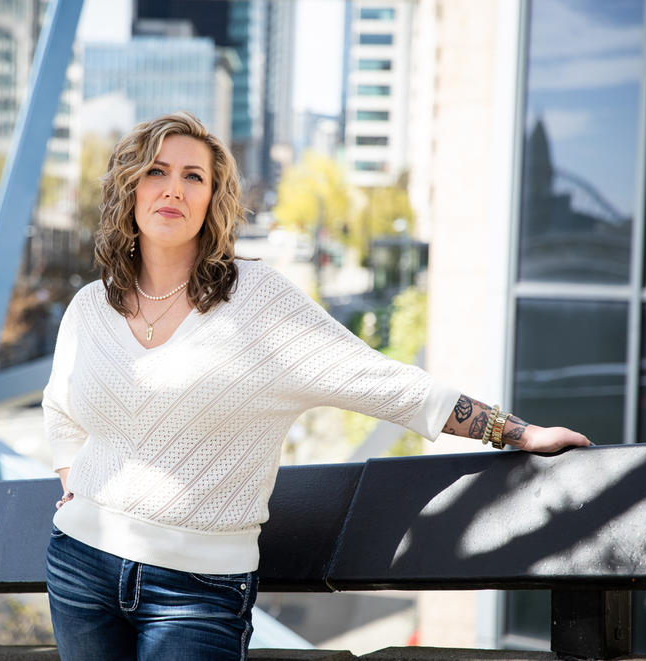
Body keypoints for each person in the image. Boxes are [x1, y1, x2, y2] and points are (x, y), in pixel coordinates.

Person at [42, 112, 591, 661]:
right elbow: (60, 410)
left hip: (197, 590)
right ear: (130, 187)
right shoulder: (92, 305)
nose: (173, 190)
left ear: (214, 199)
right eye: (157, 171)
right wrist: (76, 486)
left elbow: (380, 381)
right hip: (80, 567)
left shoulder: (257, 301)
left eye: (194, 177)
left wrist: (515, 432)